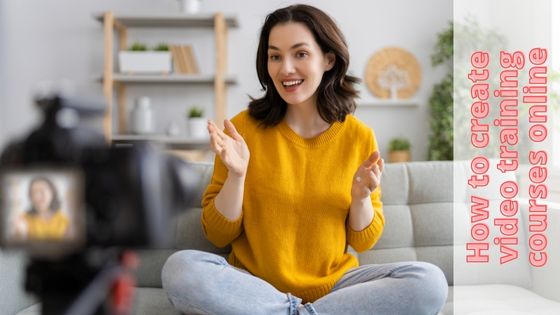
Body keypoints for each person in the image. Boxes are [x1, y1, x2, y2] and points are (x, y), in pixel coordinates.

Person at [162, 4, 448, 315]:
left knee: (428, 281)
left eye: (300, 54)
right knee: (180, 269)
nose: (285, 69)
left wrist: (361, 197)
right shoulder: (242, 130)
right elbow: (218, 234)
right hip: (253, 286)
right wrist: (237, 175)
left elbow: (364, 241)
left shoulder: (358, 136)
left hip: (336, 287)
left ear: (328, 59)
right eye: (275, 56)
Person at [13, 177, 70, 241]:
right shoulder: (23, 219)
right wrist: (21, 235)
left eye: (42, 191)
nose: (37, 197)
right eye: (33, 192)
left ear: (52, 193)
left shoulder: (64, 220)